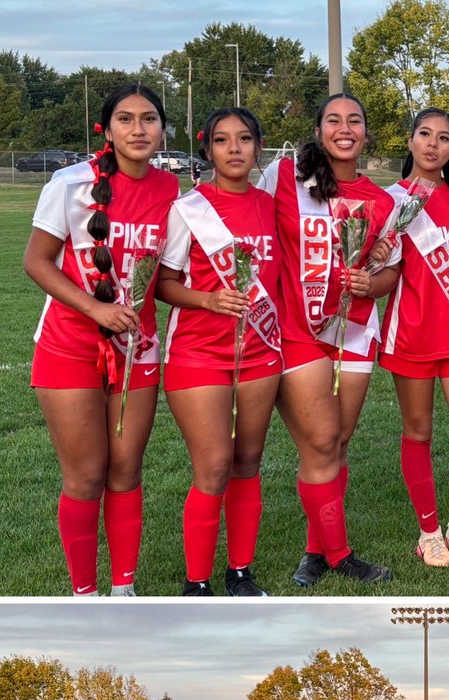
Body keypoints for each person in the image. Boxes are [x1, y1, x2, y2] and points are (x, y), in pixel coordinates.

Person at [23, 83, 178, 596]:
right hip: (69, 346)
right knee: (87, 477)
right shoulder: (70, 183)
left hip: (140, 349)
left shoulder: (175, 192)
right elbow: (36, 261)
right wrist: (95, 309)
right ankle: (84, 594)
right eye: (127, 119)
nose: (139, 129)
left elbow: (174, 275)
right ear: (106, 129)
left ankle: (124, 590)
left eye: (149, 119)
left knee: (126, 473)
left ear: (162, 128)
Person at [257, 92, 400, 588]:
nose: (345, 128)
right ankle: (339, 555)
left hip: (355, 331)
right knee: (319, 441)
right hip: (298, 330)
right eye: (334, 120)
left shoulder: (383, 201)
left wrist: (371, 284)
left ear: (365, 132)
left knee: (337, 443)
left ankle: (315, 551)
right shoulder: (286, 179)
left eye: (354, 120)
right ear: (318, 131)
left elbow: (391, 273)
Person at [156, 106, 281, 597]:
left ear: (257, 148)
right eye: (223, 140)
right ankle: (197, 582)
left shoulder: (271, 205)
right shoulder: (188, 208)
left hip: (260, 351)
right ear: (206, 149)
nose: (235, 149)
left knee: (248, 461)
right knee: (212, 466)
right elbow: (163, 284)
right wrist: (207, 298)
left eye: (245, 139)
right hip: (197, 353)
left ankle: (241, 573)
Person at [381, 108, 449, 568]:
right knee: (419, 431)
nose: (433, 144)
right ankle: (428, 533)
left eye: (444, 138)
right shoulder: (389, 199)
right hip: (411, 331)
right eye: (425, 134)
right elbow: (380, 265)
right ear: (410, 141)